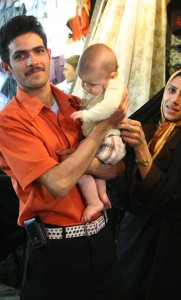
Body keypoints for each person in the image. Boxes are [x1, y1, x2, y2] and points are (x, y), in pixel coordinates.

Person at [0, 15, 128, 300]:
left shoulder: (78, 104)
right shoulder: (9, 123)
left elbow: (117, 169)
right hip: (56, 255)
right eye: (20, 56)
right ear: (7, 67)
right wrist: (101, 131)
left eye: (37, 51)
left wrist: (88, 162)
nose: (32, 61)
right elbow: (58, 183)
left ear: (48, 54)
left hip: (103, 242)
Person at [108, 68, 181, 300]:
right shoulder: (146, 128)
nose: (174, 101)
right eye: (171, 90)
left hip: (169, 245)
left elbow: (165, 195)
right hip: (134, 234)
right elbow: (122, 185)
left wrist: (141, 149)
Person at [71, 43, 126, 223]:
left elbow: (110, 108)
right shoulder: (103, 83)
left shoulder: (115, 85)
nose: (86, 87)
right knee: (95, 172)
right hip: (106, 140)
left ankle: (93, 201)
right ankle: (102, 197)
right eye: (83, 82)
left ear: (113, 75)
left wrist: (87, 114)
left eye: (91, 84)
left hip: (110, 142)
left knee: (79, 170)